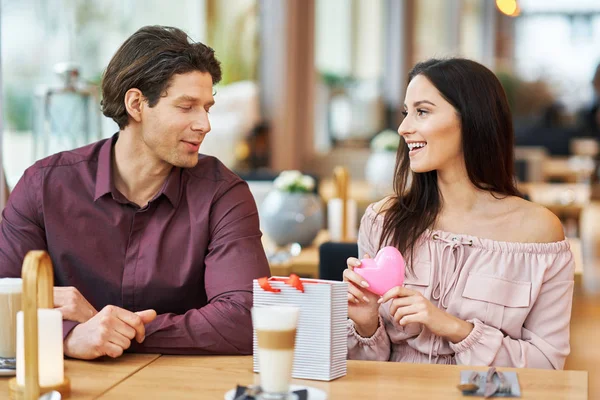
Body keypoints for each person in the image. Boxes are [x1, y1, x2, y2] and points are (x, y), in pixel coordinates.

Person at [0, 26, 270, 359]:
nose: (205, 124)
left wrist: (109, 328)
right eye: (187, 107)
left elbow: (245, 318)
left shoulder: (223, 194)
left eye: (207, 108)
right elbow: (5, 305)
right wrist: (70, 337)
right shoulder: (43, 187)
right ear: (136, 104)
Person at [344, 58, 574, 369]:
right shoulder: (382, 220)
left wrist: (455, 328)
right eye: (405, 112)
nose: (403, 128)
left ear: (472, 119)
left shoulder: (540, 230)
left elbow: (548, 366)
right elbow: (363, 366)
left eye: (422, 111)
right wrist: (365, 323)